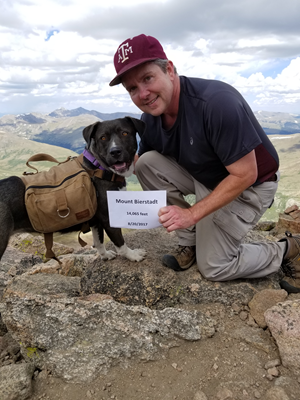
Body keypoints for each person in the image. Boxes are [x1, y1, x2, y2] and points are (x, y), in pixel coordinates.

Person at [109, 33, 300, 282]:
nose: (143, 94)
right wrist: (103, 164)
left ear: (169, 69)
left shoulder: (216, 103)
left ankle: (290, 249)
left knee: (215, 266)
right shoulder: (152, 118)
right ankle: (190, 242)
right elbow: (143, 167)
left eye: (147, 78)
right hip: (206, 176)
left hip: (249, 185)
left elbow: (246, 174)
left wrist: (191, 214)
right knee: (146, 163)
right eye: (132, 88)